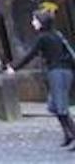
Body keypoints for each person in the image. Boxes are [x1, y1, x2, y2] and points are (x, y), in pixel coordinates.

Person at [5, 9, 75, 149]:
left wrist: (14, 68)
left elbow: (30, 55)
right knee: (54, 106)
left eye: (35, 20)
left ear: (41, 22)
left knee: (60, 106)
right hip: (62, 72)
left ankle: (72, 134)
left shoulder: (43, 38)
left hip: (58, 72)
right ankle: (68, 134)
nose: (33, 22)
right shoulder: (56, 35)